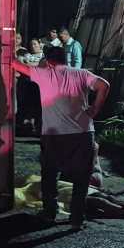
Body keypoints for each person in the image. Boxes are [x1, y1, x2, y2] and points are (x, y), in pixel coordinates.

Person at [12, 45, 109, 229]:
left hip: (54, 135)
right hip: (83, 133)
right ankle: (77, 219)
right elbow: (104, 85)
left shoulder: (44, 74)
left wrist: (6, 50)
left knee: (50, 174)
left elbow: (16, 65)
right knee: (81, 178)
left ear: (48, 62)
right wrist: (94, 109)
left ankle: (50, 212)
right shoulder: (81, 73)